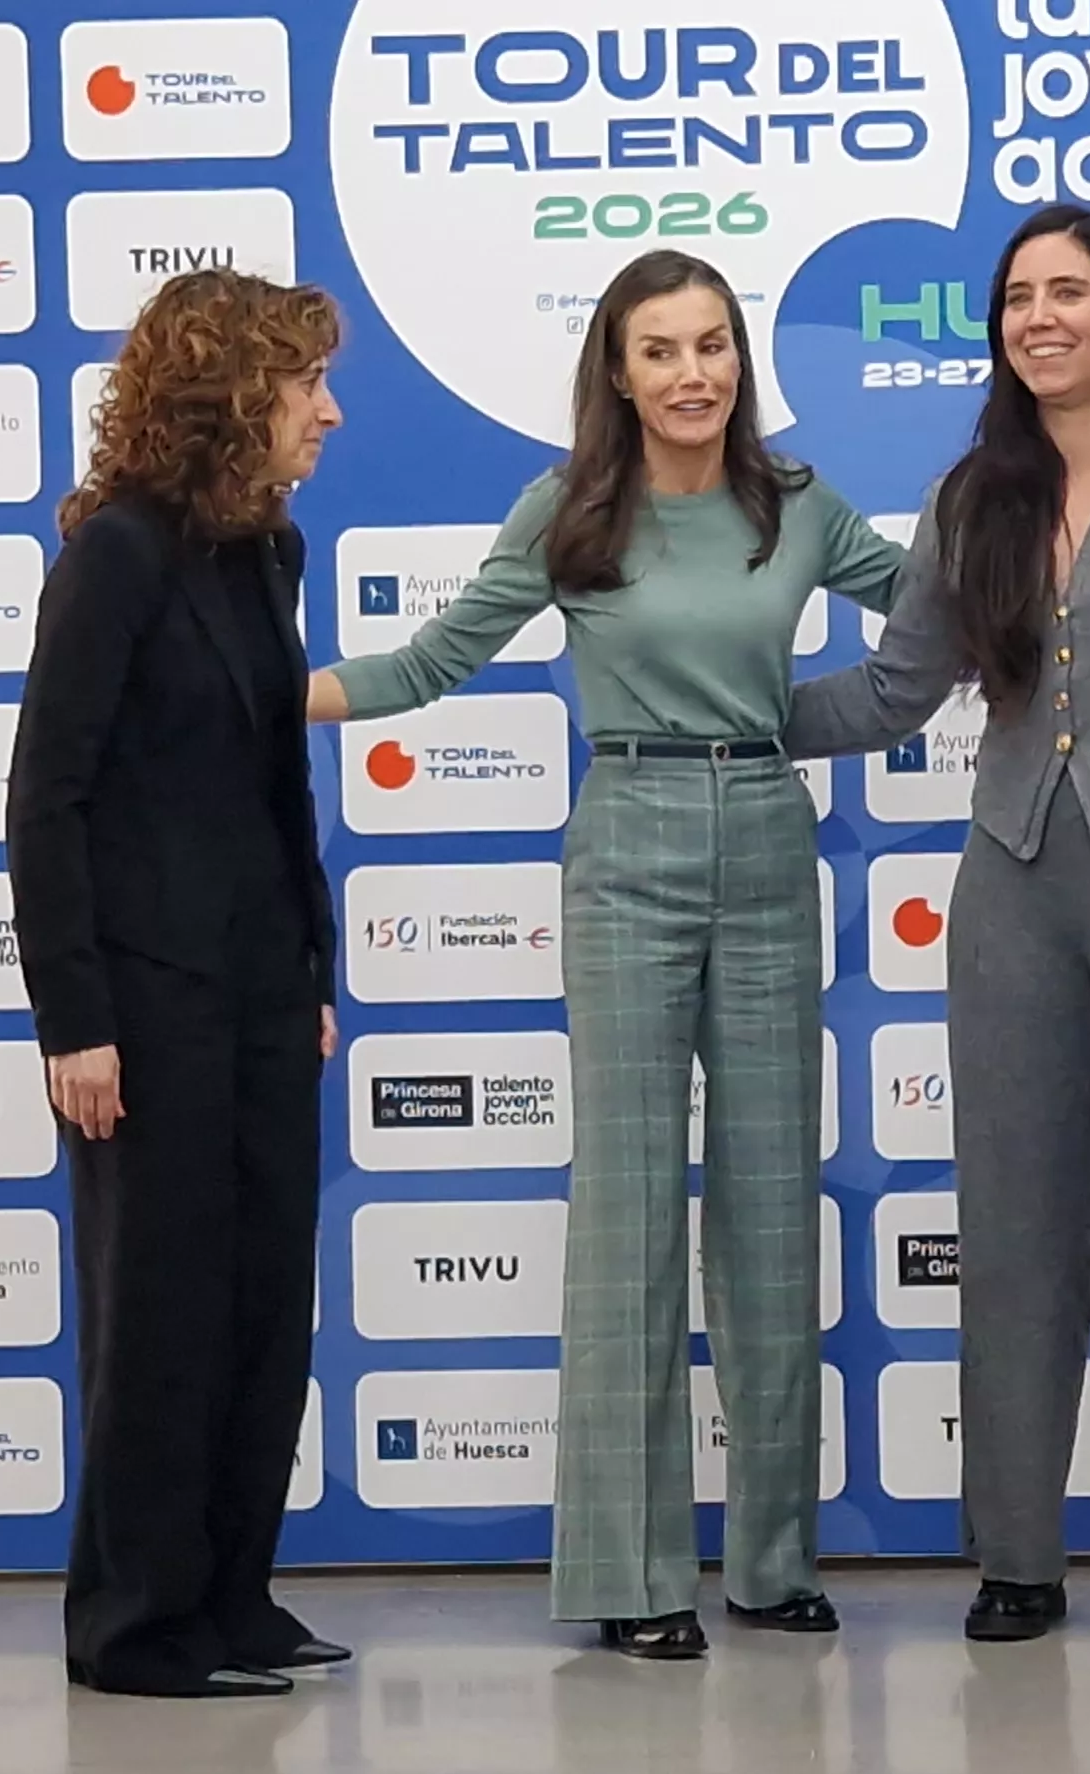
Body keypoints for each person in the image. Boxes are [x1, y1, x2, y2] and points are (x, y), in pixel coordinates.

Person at [309, 250, 906, 1660]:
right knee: (631, 1207)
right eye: (661, 351)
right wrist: (257, 695)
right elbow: (430, 663)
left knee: (769, 1205)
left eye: (712, 345)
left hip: (767, 840)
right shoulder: (569, 509)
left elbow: (934, 614)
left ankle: (769, 1562)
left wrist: (789, 723)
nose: (693, 373)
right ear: (619, 372)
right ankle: (636, 1579)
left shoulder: (800, 504)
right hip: (625, 839)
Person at [780, 204, 1090, 1645]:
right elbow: (889, 694)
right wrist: (712, 716)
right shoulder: (967, 494)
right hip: (1006, 893)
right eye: (1016, 298)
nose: (1039, 316)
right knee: (1014, 1229)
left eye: (1070, 291)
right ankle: (1019, 1554)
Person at [6, 269, 350, 1700]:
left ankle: (233, 1596)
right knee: (162, 1311)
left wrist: (312, 969)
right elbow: (47, 794)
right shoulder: (120, 554)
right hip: (141, 1003)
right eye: (304, 388)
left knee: (268, 1299)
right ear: (231, 399)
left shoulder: (267, 552)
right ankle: (136, 1624)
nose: (326, 413)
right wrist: (72, 1019)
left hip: (267, 990)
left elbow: (275, 780)